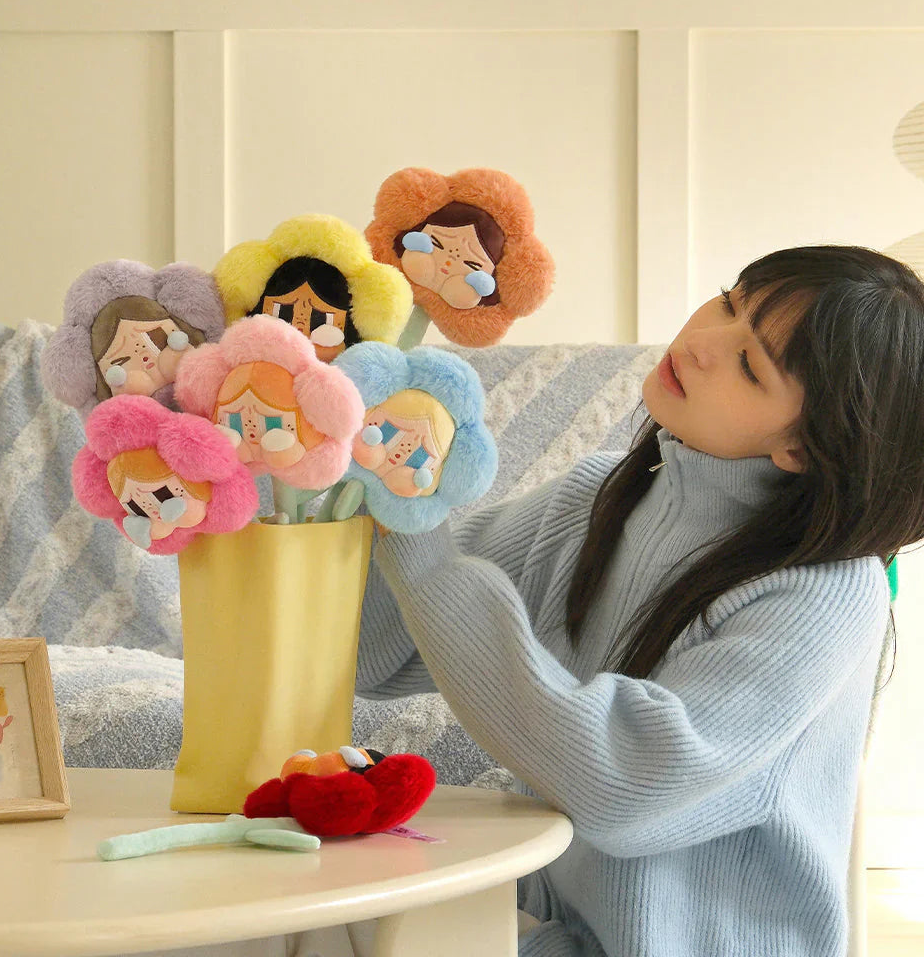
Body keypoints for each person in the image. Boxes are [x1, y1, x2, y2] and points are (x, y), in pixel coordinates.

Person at [356, 245, 924, 957]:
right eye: (728, 301)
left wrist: (419, 538)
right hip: (542, 930)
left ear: (804, 448)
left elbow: (622, 786)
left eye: (751, 364)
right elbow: (374, 652)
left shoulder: (825, 593)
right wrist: (349, 478)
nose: (704, 341)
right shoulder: (598, 498)